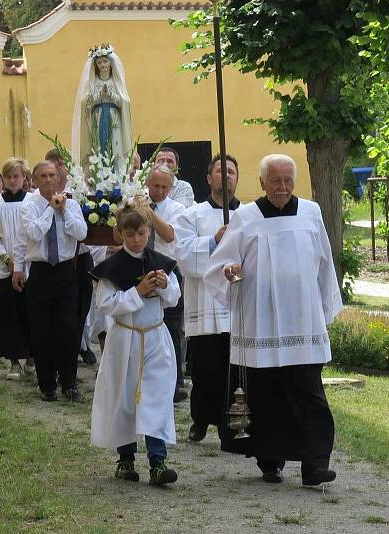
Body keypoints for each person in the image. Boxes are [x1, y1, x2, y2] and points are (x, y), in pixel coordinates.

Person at [204, 154, 342, 487]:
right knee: (266, 395)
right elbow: (221, 264)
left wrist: (326, 307)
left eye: (287, 180)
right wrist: (229, 271)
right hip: (261, 320)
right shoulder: (245, 217)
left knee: (309, 393)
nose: (282, 187)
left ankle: (315, 465)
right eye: (275, 181)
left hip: (303, 322)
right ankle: (270, 460)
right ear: (263, 183)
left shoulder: (311, 212)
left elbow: (324, 261)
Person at [89, 200, 180, 486]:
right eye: (130, 235)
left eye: (141, 234)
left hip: (155, 336)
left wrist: (166, 287)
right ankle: (125, 459)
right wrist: (137, 291)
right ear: (121, 234)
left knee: (156, 397)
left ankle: (158, 461)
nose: (137, 240)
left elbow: (175, 298)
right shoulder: (112, 268)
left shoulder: (161, 263)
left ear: (149, 231)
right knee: (124, 398)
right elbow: (106, 304)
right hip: (125, 338)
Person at [174, 154, 241, 442]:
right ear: (208, 178)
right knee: (204, 368)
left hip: (237, 304)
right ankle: (201, 419)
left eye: (230, 171)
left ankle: (231, 423)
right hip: (204, 302)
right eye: (219, 171)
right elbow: (184, 256)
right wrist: (214, 240)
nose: (225, 176)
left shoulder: (249, 215)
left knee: (233, 369)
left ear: (237, 178)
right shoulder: (191, 215)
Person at [20, 161, 88, 402]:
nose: (49, 180)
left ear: (59, 177)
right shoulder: (29, 206)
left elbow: (81, 233)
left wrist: (65, 210)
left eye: (52, 175)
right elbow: (34, 233)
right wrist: (50, 209)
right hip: (40, 271)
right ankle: (46, 384)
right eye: (43, 176)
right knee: (42, 330)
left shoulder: (73, 204)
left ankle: (69, 382)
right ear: (35, 180)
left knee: (68, 328)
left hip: (66, 272)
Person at [0, 158, 31, 379]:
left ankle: (31, 356)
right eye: (8, 176)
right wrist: (9, 259)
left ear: (24, 178)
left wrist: (22, 262)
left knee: (29, 313)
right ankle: (13, 362)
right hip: (4, 266)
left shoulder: (33, 201)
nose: (12, 180)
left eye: (16, 176)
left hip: (29, 265)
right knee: (7, 313)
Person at [47, 147, 97, 365]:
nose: (58, 171)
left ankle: (77, 346)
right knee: (61, 311)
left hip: (82, 256)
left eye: (59, 167)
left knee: (81, 308)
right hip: (58, 260)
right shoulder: (41, 196)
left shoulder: (80, 190)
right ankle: (61, 355)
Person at [145, 164, 187, 403]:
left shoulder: (177, 208)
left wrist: (149, 212)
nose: (159, 191)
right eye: (155, 186)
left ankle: (176, 382)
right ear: (148, 184)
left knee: (172, 327)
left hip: (169, 270)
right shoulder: (135, 200)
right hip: (140, 270)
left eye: (164, 187)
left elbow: (169, 235)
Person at [72, 44, 132, 169]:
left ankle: (115, 175)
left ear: (110, 63)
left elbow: (124, 103)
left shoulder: (116, 82)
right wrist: (99, 96)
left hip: (114, 117)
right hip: (97, 118)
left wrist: (110, 95)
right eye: (99, 62)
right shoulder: (93, 82)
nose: (103, 65)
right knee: (99, 147)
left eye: (105, 61)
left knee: (115, 146)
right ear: (96, 65)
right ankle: (99, 175)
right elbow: (85, 103)